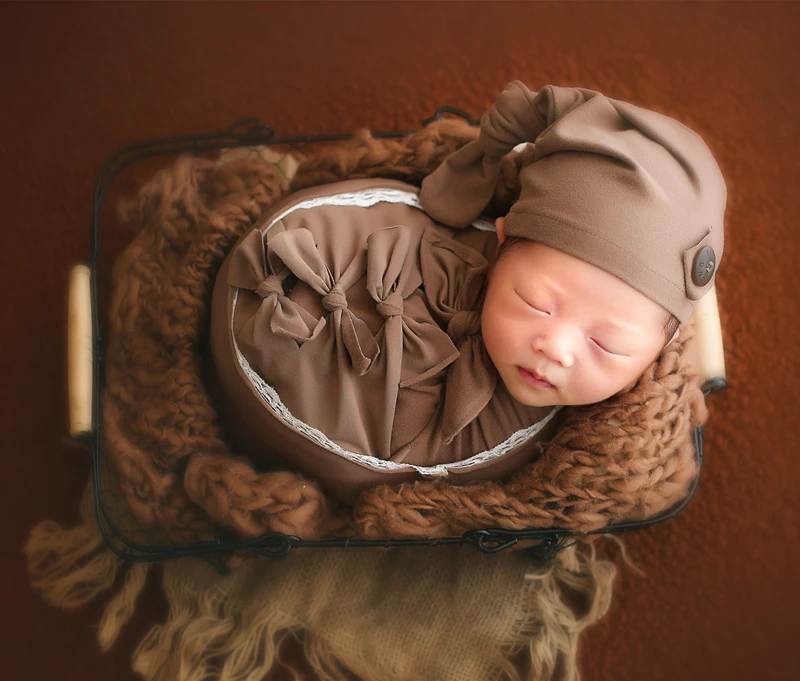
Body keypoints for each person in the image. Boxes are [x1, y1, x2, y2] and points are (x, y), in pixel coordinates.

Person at [208, 81, 727, 504]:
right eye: (536, 304)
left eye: (606, 345)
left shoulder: (565, 431)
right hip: (286, 273)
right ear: (497, 242)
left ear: (663, 348)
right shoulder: (459, 252)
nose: (556, 347)